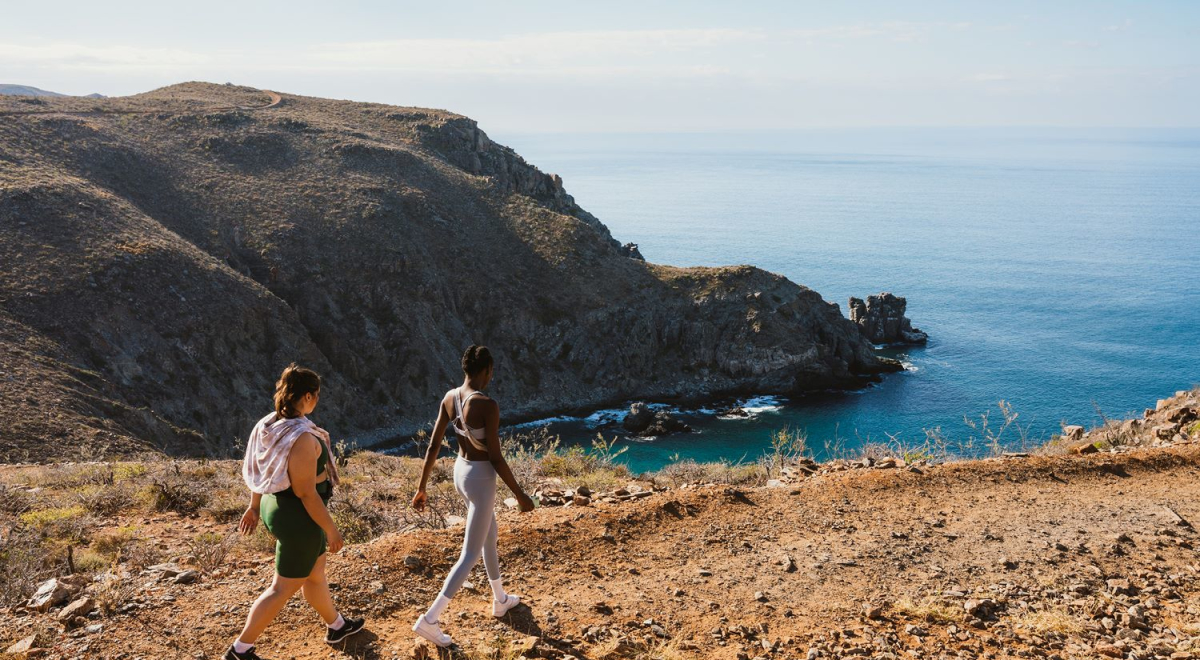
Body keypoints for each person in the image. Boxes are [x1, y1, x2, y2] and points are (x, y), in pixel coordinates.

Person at [226, 364, 365, 660]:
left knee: (315, 574)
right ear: (307, 396)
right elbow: (306, 493)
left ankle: (337, 626)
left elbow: (260, 469)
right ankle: (240, 649)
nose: (318, 400)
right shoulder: (302, 439)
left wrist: (253, 506)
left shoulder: (269, 424)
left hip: (273, 504)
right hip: (298, 517)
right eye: (316, 395)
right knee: (280, 590)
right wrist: (331, 529)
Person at [411, 345, 535, 647]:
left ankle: (500, 599)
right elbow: (496, 458)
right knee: (469, 553)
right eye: (491, 371)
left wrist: (422, 486)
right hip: (481, 479)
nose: (491, 376)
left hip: (460, 473)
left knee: (488, 535)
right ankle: (429, 620)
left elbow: (433, 446)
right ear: (485, 371)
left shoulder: (450, 397)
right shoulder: (487, 406)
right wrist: (520, 495)